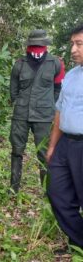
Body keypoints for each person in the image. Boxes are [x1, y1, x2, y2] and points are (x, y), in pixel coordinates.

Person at [9, 29, 65, 194]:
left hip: (44, 117)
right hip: (21, 116)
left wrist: (50, 106)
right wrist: (20, 103)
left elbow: (58, 88)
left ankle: (47, 190)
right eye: (34, 45)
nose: (37, 49)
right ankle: (14, 188)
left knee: (44, 153)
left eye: (40, 45)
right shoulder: (19, 64)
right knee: (17, 150)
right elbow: (14, 90)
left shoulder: (55, 63)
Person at [46, 24, 83, 250]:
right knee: (58, 194)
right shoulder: (71, 75)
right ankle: (79, 241)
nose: (73, 50)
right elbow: (60, 111)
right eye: (72, 44)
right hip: (65, 145)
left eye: (79, 44)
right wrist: (52, 147)